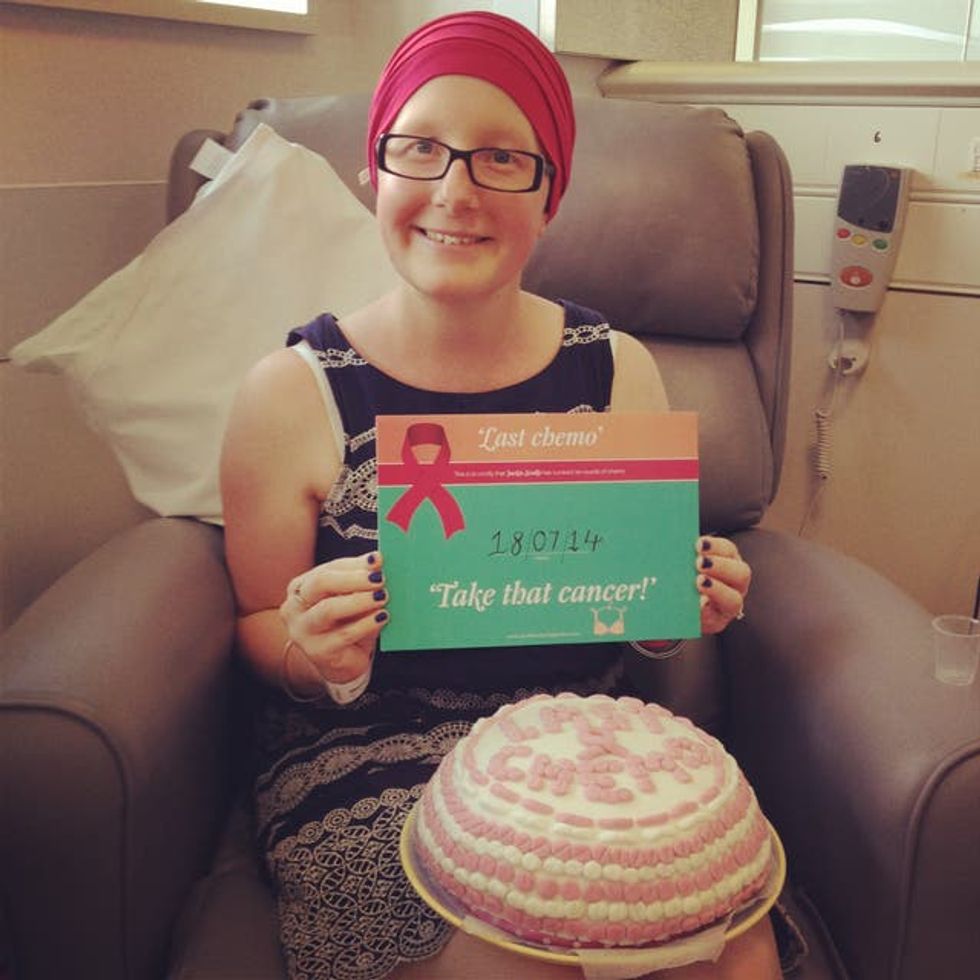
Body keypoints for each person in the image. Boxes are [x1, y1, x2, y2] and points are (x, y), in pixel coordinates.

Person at [220, 11, 775, 980]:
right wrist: (311, 651)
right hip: (366, 757)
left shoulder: (617, 369)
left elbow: (635, 612)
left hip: (577, 752)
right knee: (513, 960)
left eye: (501, 160)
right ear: (373, 173)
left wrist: (670, 603)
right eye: (420, 149)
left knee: (725, 934)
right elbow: (257, 619)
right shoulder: (290, 389)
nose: (454, 191)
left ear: (550, 195)